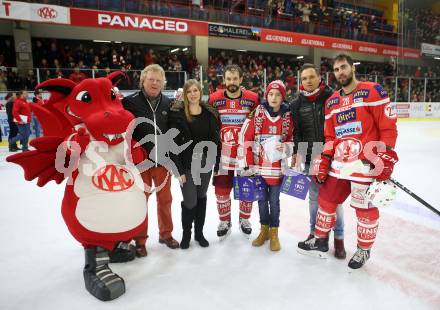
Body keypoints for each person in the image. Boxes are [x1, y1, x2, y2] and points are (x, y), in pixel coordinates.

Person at [297, 54, 398, 270]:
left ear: (353, 68)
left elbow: (387, 128)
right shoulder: (333, 101)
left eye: (344, 67)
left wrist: (386, 156)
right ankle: (320, 239)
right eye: (336, 69)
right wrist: (325, 158)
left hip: (365, 163)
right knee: (326, 200)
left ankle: (363, 250)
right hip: (340, 165)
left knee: (365, 208)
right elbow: (330, 137)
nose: (340, 72)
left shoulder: (372, 91)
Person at [122, 64, 180, 257]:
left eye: (158, 80)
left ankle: (166, 234)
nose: (154, 83)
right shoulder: (130, 103)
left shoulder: (168, 102)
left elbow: (174, 132)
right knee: (140, 202)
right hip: (141, 163)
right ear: (143, 81)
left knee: (165, 200)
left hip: (162, 161)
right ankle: (139, 240)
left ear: (163, 82)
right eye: (151, 79)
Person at [291, 63, 346, 259]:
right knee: (314, 198)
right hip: (311, 157)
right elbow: (297, 132)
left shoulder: (332, 97)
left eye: (311, 77)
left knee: (335, 200)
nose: (308, 81)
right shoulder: (296, 104)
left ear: (319, 77)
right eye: (304, 78)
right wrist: (297, 152)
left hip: (333, 156)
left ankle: (339, 239)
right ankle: (315, 234)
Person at [240, 80, 293, 251]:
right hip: (259, 168)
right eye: (271, 94)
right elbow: (246, 138)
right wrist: (248, 163)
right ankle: (263, 230)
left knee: (274, 202)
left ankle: (274, 233)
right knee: (262, 201)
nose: (274, 97)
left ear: (283, 97)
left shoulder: (287, 116)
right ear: (266, 96)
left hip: (277, 170)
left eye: (278, 94)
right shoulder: (258, 113)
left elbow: (292, 140)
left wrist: (286, 147)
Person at [209, 64, 260, 240]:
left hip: (245, 156)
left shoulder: (253, 98)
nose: (231, 82)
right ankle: (224, 221)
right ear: (224, 80)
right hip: (223, 154)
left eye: (235, 79)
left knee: (247, 189)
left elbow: (259, 124)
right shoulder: (214, 99)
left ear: (241, 79)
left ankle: (244, 219)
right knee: (221, 190)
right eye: (228, 79)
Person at [169, 80, 220, 249]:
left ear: (200, 92)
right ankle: (186, 234)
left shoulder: (209, 113)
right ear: (185, 94)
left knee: (201, 198)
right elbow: (173, 144)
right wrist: (178, 169)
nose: (193, 94)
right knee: (190, 201)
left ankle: (199, 233)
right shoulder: (178, 114)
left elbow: (215, 140)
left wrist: (216, 162)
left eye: (195, 90)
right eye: (189, 91)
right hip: (187, 166)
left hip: (205, 164)